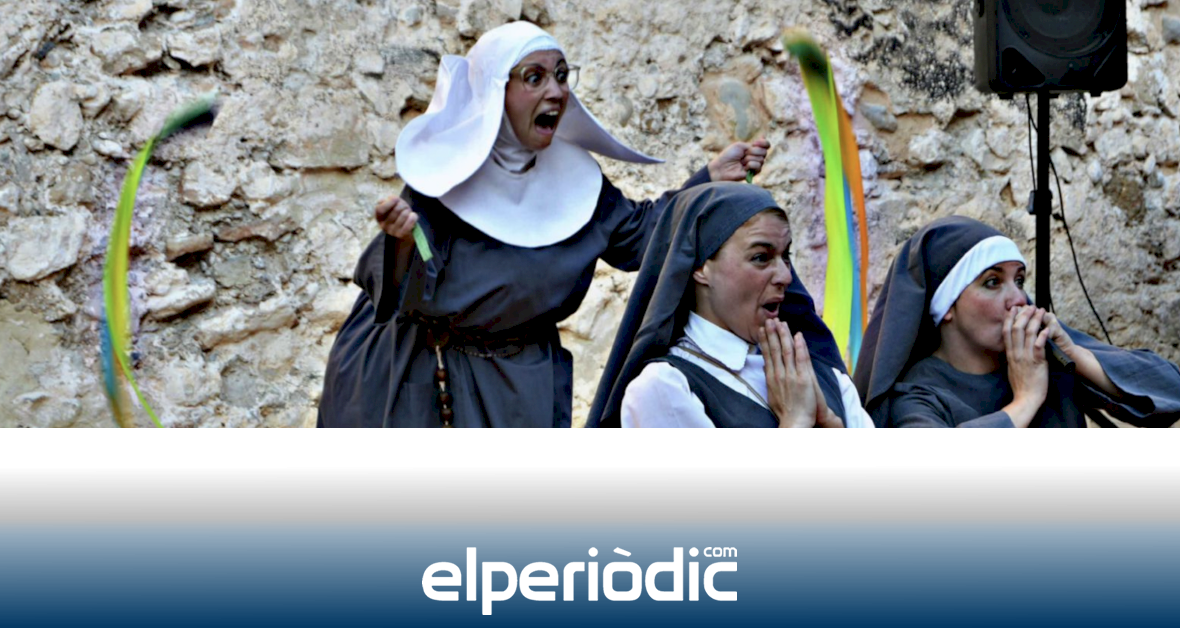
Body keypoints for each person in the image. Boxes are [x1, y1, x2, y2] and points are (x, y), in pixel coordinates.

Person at [319, 21, 769, 427]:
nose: (555, 91)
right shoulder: (444, 175)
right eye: (534, 78)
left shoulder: (578, 182)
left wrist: (709, 179)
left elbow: (643, 237)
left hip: (518, 382)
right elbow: (401, 288)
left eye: (561, 75)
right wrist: (401, 238)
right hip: (419, 377)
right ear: (497, 91)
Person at [587, 182, 873, 428]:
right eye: (761, 257)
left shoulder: (827, 377)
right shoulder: (665, 388)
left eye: (786, 256)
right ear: (700, 267)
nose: (786, 276)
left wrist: (830, 424)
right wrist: (796, 422)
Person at [853, 215, 1180, 428]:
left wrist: (1076, 357)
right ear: (947, 306)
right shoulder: (916, 392)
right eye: (992, 282)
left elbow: (1171, 390)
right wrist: (1025, 401)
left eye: (1019, 280)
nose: (1019, 299)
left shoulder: (1042, 355)